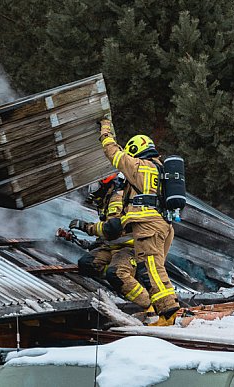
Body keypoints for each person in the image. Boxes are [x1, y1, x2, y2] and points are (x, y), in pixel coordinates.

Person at [98, 119, 180, 326]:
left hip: (148, 226)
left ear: (135, 150)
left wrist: (105, 130)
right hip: (161, 224)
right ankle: (165, 312)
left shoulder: (139, 167)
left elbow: (113, 153)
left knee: (152, 270)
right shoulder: (159, 168)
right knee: (154, 269)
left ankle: (168, 314)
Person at [68, 174, 150, 311]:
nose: (93, 190)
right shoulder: (107, 198)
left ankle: (148, 304)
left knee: (116, 273)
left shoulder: (117, 198)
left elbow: (112, 229)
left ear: (108, 184)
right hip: (113, 246)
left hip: (130, 247)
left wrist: (86, 227)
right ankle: (123, 276)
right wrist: (95, 244)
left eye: (95, 186)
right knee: (86, 263)